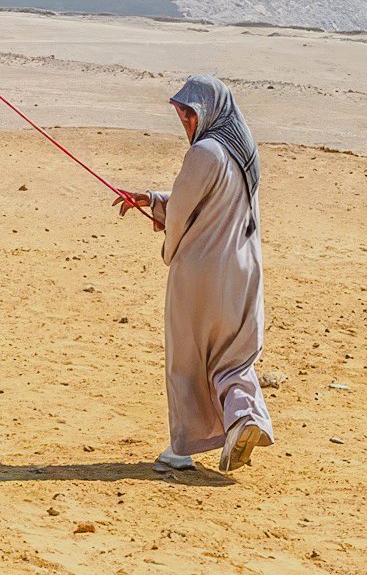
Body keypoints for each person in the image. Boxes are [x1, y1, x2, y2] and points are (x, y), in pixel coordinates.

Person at [115, 75, 273, 474]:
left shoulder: (204, 151)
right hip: (244, 269)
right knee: (232, 356)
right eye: (181, 114)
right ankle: (245, 419)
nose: (185, 121)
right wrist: (152, 200)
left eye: (190, 113)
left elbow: (185, 212)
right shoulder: (243, 149)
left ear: (209, 112)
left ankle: (182, 447)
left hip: (202, 271)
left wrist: (169, 248)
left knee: (186, 356)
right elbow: (212, 201)